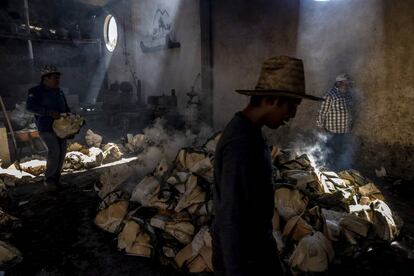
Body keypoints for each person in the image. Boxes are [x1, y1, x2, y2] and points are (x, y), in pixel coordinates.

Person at [212, 56, 323, 276]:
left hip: (256, 251)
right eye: (292, 106)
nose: (291, 115)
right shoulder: (241, 144)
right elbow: (231, 216)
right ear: (273, 100)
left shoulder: (250, 133)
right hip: (246, 259)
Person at [26, 65, 70, 190]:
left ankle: (56, 180)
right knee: (54, 151)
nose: (58, 80)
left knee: (62, 153)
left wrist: (72, 117)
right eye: (55, 78)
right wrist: (48, 112)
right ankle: (49, 180)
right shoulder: (35, 91)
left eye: (58, 78)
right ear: (45, 79)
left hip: (61, 128)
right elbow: (30, 107)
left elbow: (65, 108)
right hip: (46, 127)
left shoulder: (59, 91)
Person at [316, 74, 354, 170]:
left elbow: (350, 111)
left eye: (348, 84)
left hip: (343, 130)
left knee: (339, 150)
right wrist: (320, 126)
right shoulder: (330, 95)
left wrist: (350, 124)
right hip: (332, 131)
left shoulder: (347, 95)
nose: (348, 86)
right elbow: (322, 112)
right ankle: (327, 169)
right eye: (346, 84)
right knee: (330, 151)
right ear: (338, 84)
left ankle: (336, 169)